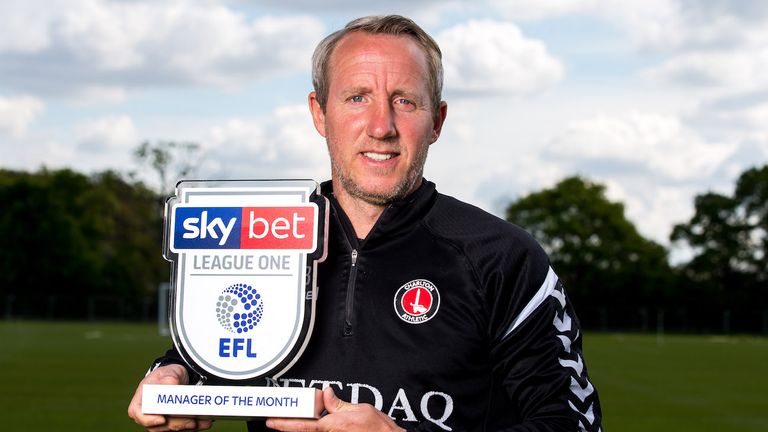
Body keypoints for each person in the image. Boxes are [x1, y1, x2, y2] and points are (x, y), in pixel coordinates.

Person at [128, 15, 603, 432]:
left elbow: (574, 423)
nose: (381, 126)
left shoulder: (501, 257)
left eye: (405, 102)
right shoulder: (259, 228)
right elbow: (210, 350)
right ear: (320, 112)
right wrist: (173, 377)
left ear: (436, 121)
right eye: (357, 97)